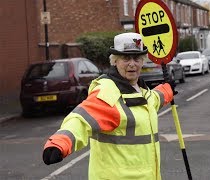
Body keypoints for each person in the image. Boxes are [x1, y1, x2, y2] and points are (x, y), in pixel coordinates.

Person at [42, 32, 175, 179]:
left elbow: (152, 101)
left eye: (137, 58)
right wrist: (61, 142)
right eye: (125, 58)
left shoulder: (142, 91)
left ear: (142, 61)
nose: (132, 63)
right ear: (115, 61)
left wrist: (166, 90)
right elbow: (81, 120)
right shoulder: (108, 92)